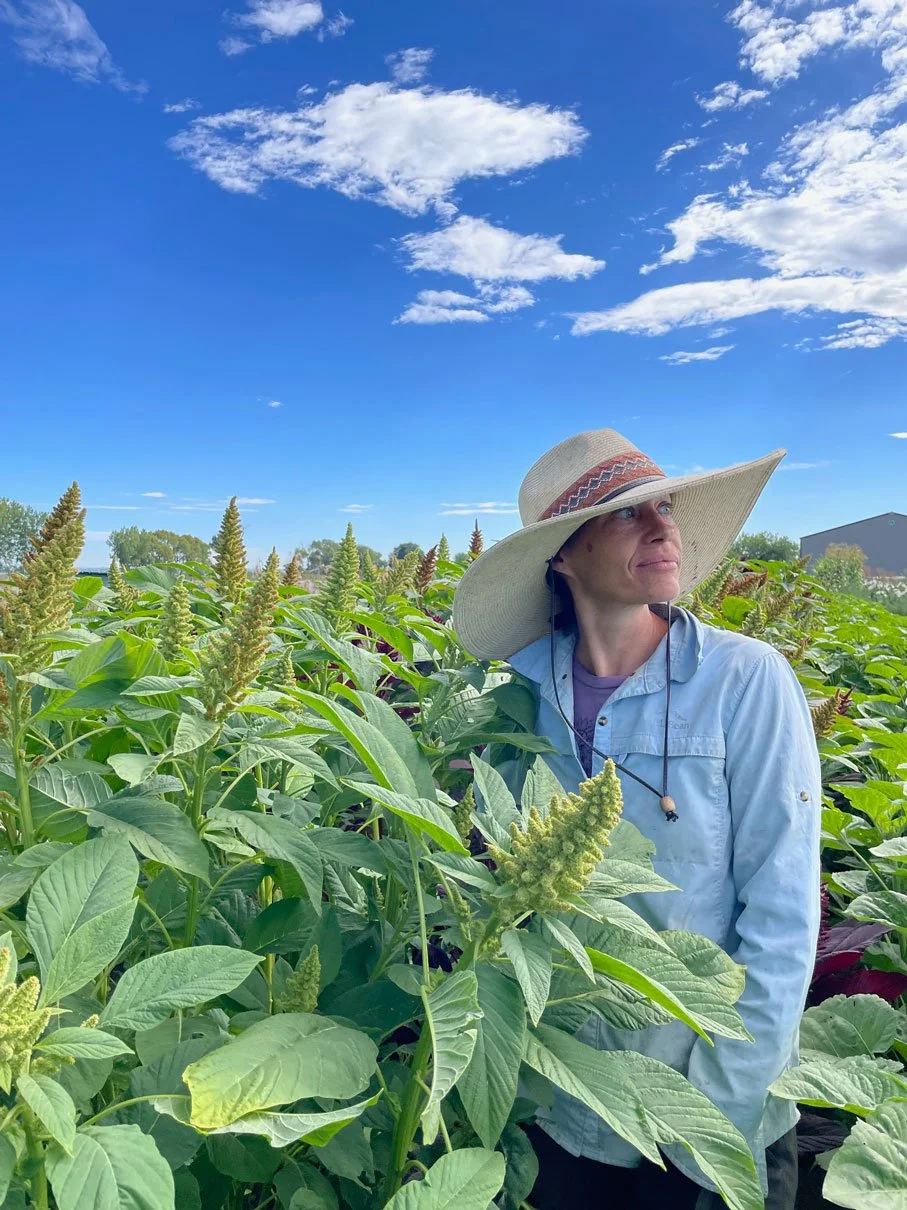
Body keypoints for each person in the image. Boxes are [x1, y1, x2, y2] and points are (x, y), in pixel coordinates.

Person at [451, 427, 821, 1209]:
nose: (663, 528)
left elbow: (783, 914)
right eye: (627, 515)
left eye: (665, 509)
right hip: (562, 1101)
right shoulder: (514, 697)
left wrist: (714, 1114)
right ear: (562, 554)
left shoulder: (745, 680)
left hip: (705, 1107)